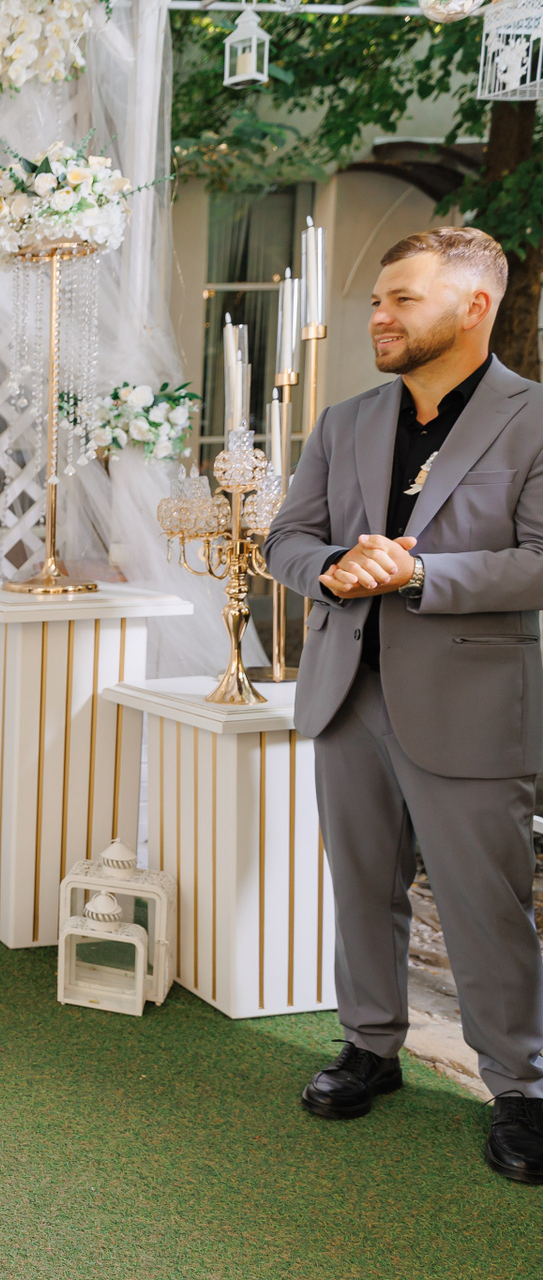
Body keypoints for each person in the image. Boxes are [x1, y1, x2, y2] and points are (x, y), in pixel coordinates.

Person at [264, 226, 543, 1185]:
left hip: (471, 705)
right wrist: (334, 567)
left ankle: (522, 1086)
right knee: (361, 888)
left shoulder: (534, 418)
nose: (379, 316)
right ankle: (370, 1047)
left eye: (403, 300)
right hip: (346, 692)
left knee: (485, 904)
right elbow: (286, 540)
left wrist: (420, 573)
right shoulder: (344, 421)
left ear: (474, 306)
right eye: (378, 300)